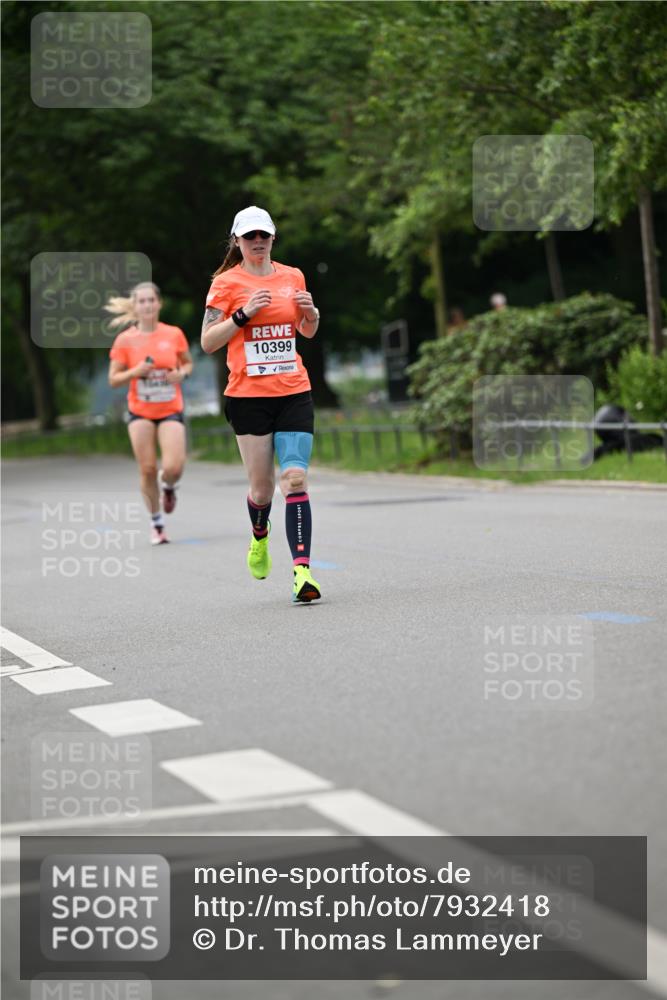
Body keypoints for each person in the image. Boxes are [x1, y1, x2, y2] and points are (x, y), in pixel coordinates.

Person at [201, 205, 322, 604]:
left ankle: (302, 572)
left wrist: (312, 315)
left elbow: (304, 331)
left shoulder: (293, 276)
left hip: (292, 390)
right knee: (262, 488)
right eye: (249, 236)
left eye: (263, 236)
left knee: (296, 480)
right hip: (248, 397)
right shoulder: (225, 283)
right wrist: (242, 316)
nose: (257, 242)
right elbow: (208, 342)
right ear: (236, 241)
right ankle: (259, 535)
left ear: (273, 238)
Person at [107, 281, 193, 545]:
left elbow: (188, 363)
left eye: (150, 300)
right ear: (135, 306)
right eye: (141, 301)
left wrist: (181, 374)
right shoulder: (125, 340)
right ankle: (157, 524)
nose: (146, 305)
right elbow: (114, 379)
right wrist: (135, 373)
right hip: (140, 411)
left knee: (174, 467)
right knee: (147, 469)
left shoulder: (173, 334)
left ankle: (168, 486)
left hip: (170, 409)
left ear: (159, 303)